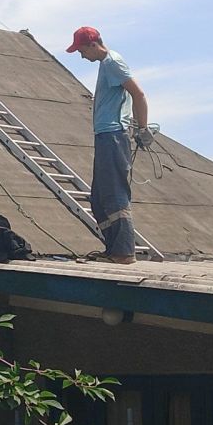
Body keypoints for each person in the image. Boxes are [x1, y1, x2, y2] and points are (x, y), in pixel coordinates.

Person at [66, 27, 154, 264]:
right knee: (99, 197)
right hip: (106, 135)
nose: (82, 56)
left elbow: (138, 94)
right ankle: (113, 248)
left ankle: (124, 252)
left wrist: (142, 128)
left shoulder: (113, 62)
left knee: (114, 194)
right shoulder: (106, 64)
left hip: (114, 135)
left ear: (93, 45)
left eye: (82, 50)